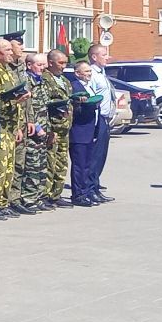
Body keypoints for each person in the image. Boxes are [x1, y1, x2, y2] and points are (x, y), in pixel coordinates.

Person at [0, 38, 26, 219]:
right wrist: (15, 100)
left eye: (11, 49)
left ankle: (3, 201)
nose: (11, 53)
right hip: (0, 126)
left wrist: (18, 126)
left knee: (9, 168)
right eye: (7, 50)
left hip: (11, 127)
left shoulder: (8, 71)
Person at [39, 50, 75, 209]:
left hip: (64, 128)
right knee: (50, 162)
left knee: (61, 162)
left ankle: (56, 194)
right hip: (52, 128)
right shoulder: (45, 79)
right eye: (60, 63)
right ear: (51, 63)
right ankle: (45, 196)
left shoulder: (65, 81)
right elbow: (44, 104)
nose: (63, 66)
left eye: (65, 63)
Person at [18, 53, 52, 212]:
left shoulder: (42, 82)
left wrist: (49, 130)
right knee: (31, 165)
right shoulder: (26, 82)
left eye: (44, 65)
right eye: (39, 65)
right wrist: (37, 127)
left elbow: (46, 107)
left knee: (41, 165)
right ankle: (28, 198)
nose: (43, 68)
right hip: (32, 130)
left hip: (44, 129)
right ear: (29, 65)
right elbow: (27, 107)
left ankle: (38, 196)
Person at [68, 63, 102, 207]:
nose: (89, 73)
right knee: (79, 165)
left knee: (87, 164)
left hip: (89, 130)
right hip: (79, 131)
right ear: (77, 73)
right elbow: (74, 109)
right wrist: (83, 104)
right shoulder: (75, 86)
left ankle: (87, 191)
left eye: (90, 71)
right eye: (86, 71)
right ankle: (79, 194)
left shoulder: (89, 85)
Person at [86, 45, 116, 203]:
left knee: (101, 156)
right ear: (94, 57)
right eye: (104, 54)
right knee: (95, 156)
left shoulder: (102, 73)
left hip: (106, 120)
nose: (107, 57)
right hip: (98, 120)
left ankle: (96, 185)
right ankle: (91, 188)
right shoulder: (92, 74)